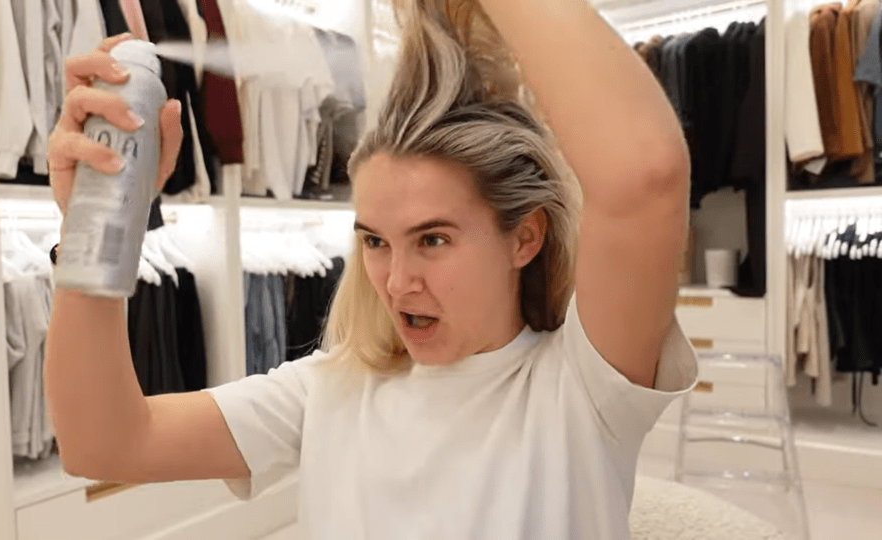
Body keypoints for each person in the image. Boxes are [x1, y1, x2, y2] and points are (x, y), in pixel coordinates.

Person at [46, 0, 698, 538]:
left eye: (433, 240)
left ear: (524, 238)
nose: (396, 280)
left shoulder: (580, 392)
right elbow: (103, 444)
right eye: (376, 242)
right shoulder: (331, 390)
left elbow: (645, 172)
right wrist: (93, 234)